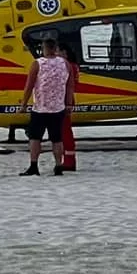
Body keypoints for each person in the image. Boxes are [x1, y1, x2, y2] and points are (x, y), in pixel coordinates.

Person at [19, 36, 72, 177]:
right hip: (58, 108)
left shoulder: (38, 63)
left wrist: (24, 103)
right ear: (55, 49)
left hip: (40, 108)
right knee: (57, 138)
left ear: (44, 49)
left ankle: (34, 165)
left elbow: (29, 85)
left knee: (35, 138)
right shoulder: (65, 64)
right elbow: (69, 86)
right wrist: (69, 104)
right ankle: (58, 165)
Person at [57, 40, 80, 174]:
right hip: (67, 99)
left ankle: (69, 160)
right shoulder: (73, 66)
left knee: (64, 132)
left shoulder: (67, 67)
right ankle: (68, 158)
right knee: (64, 131)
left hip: (64, 100)